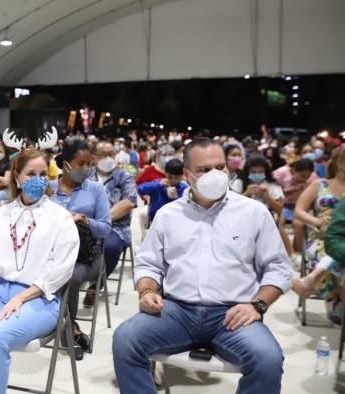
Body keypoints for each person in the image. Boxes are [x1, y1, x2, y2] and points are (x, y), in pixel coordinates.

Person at [112, 138, 292, 394]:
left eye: (221, 167)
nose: (215, 175)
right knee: (125, 340)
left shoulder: (253, 212)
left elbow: (278, 268)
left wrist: (258, 304)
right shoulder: (168, 214)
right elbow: (149, 264)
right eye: (204, 170)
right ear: (187, 175)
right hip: (177, 311)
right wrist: (147, 291)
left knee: (268, 359)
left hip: (232, 315)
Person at [0, 149, 79, 394]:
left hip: (41, 298)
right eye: (31, 173)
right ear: (18, 177)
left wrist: (21, 297)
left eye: (43, 174)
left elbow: (61, 271)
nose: (38, 179)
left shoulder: (60, 219)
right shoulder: (0, 215)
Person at [51, 140, 111, 359]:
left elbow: (105, 228)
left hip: (87, 258)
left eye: (89, 163)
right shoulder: (50, 188)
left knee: (70, 277)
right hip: (52, 255)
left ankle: (67, 328)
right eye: (81, 163)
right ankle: (69, 325)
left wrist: (85, 220)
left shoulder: (95, 189)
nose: (86, 168)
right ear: (66, 165)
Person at [292, 146, 345, 322]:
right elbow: (299, 211)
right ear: (339, 162)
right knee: (338, 256)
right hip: (320, 239)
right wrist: (316, 221)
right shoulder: (321, 184)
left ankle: (311, 280)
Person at [83, 141, 137, 307]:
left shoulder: (124, 175)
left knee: (110, 246)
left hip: (116, 227)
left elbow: (129, 202)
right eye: (103, 155)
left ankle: (96, 284)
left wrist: (103, 219)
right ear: (94, 157)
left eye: (111, 154)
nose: (107, 158)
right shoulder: (86, 175)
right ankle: (76, 279)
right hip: (86, 224)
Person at [273, 158, 317, 259]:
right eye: (302, 175)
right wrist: (294, 189)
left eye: (307, 176)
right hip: (287, 208)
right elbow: (283, 191)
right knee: (279, 222)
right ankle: (282, 247)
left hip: (300, 210)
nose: (304, 178)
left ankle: (298, 248)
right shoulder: (290, 181)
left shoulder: (310, 184)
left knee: (298, 224)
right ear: (294, 172)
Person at [137, 158, 188, 223]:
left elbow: (186, 208)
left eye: (176, 178)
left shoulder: (183, 188)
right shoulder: (158, 183)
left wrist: (176, 198)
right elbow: (140, 189)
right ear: (165, 173)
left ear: (181, 176)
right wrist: (158, 185)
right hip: (155, 220)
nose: (173, 180)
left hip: (174, 221)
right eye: (170, 177)